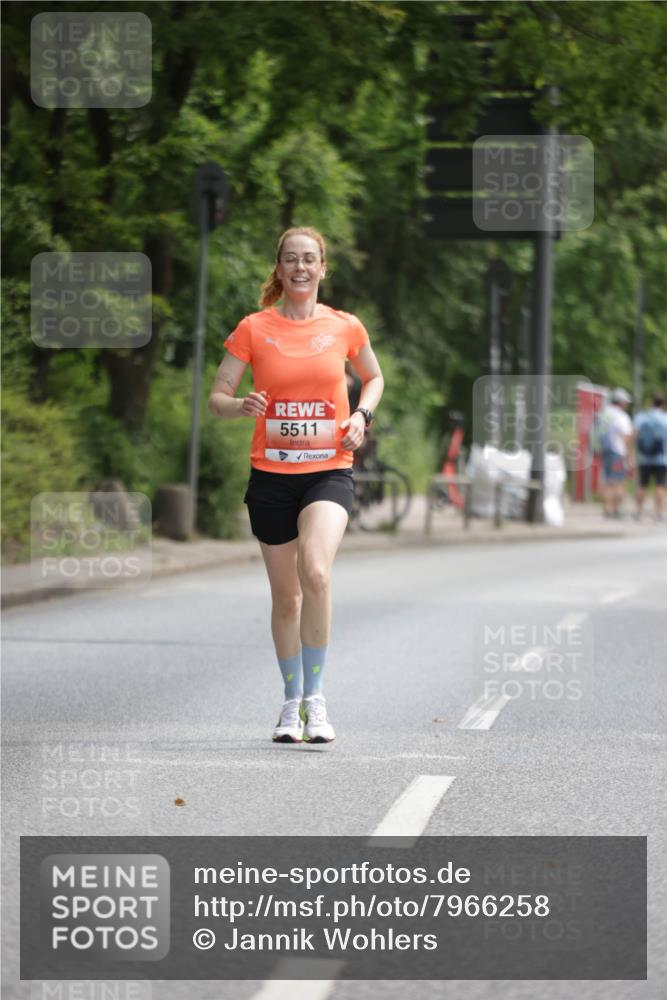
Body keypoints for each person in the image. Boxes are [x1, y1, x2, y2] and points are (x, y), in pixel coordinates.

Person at [208, 227, 384, 744]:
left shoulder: (344, 326)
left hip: (329, 470)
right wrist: (240, 405)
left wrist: (362, 415)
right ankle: (290, 703)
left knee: (316, 572)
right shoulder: (253, 328)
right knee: (286, 598)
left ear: (323, 268)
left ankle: (317, 699)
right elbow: (217, 395)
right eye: (291, 260)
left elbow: (374, 377)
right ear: (279, 269)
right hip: (271, 477)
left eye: (310, 259)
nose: (301, 268)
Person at [597, 388, 634, 518]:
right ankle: (616, 510)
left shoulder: (603, 413)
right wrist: (629, 456)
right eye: (626, 402)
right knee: (619, 481)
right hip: (617, 453)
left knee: (607, 481)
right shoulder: (621, 416)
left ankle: (606, 509)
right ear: (622, 402)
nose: (627, 405)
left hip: (604, 451)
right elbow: (626, 438)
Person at [633, 393, 667, 521]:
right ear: (663, 404)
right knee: (660, 485)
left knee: (642, 485)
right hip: (661, 458)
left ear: (652, 403)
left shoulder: (642, 417)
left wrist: (632, 452)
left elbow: (635, 434)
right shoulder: (665, 418)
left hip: (644, 457)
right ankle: (658, 513)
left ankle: (638, 512)